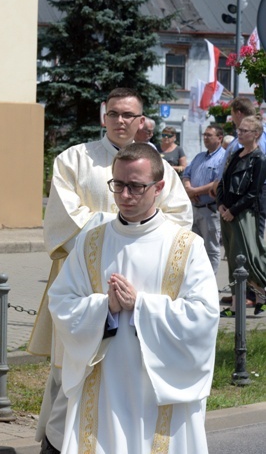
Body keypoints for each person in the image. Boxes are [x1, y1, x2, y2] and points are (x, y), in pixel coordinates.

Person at [29, 88, 192, 454]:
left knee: (130, 378)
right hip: (83, 287)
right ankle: (58, 443)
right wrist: (116, 228)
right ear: (103, 116)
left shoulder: (159, 167)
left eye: (129, 115)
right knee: (71, 374)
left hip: (141, 291)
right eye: (115, 113)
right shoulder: (74, 160)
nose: (121, 121)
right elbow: (64, 222)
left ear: (141, 121)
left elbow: (180, 221)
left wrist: (137, 240)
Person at [49, 143, 218, 454]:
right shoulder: (91, 242)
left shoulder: (185, 246)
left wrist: (141, 305)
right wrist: (105, 307)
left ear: (159, 187)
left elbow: (204, 316)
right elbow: (61, 303)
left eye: (136, 187)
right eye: (118, 185)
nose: (124, 196)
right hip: (104, 385)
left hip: (162, 389)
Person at [217, 115, 266, 317]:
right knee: (233, 258)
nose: (240, 133)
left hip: (243, 214)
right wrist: (221, 205)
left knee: (246, 257)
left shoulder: (259, 158)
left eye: (245, 130)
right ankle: (244, 304)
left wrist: (233, 211)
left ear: (256, 134)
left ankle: (258, 297)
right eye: (239, 129)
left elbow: (254, 192)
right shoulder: (235, 155)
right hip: (227, 213)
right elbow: (222, 182)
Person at [182, 124, 225, 273]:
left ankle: (211, 282)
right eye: (204, 135)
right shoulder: (199, 156)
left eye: (209, 135)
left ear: (219, 138)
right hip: (194, 209)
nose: (205, 138)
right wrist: (189, 189)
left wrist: (194, 191)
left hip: (210, 210)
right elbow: (186, 174)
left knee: (211, 248)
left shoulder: (223, 157)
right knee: (193, 247)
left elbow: (217, 183)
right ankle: (195, 278)